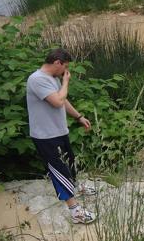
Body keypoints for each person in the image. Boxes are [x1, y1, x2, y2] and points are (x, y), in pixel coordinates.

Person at [26, 48, 97, 224]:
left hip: (59, 131)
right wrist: (66, 82)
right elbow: (57, 102)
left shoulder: (52, 78)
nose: (66, 71)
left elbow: (63, 100)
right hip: (45, 136)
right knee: (58, 170)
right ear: (57, 62)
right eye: (65, 67)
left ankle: (76, 186)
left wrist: (79, 117)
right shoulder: (37, 79)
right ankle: (75, 211)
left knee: (70, 161)